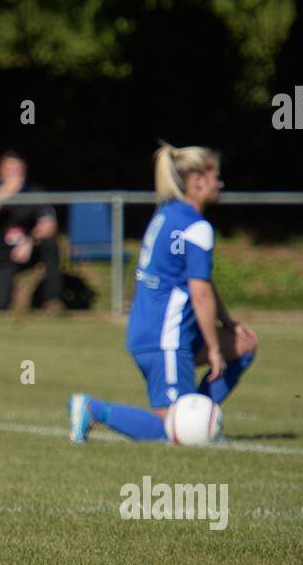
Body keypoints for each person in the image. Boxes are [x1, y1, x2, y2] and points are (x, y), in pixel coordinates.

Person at [68, 144, 257, 443]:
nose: (220, 184)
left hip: (155, 330)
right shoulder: (195, 226)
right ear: (197, 181)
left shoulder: (166, 215)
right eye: (215, 177)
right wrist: (214, 346)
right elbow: (200, 294)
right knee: (168, 431)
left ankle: (197, 417)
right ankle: (94, 409)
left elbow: (203, 284)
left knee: (244, 345)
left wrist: (229, 325)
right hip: (166, 338)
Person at [0, 151, 62, 310]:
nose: (15, 176)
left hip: (31, 248)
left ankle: (51, 300)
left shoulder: (34, 192)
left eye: (18, 171)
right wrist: (6, 193)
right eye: (10, 171)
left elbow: (49, 225)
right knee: (0, 304)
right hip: (2, 255)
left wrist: (30, 241)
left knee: (51, 245)